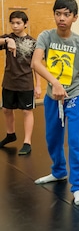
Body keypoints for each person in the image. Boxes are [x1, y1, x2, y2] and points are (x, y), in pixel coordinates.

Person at [31, 0, 79, 206]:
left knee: (74, 140)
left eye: (67, 14)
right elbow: (36, 63)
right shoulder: (46, 36)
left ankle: (78, 187)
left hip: (74, 96)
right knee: (53, 138)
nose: (61, 18)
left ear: (75, 17)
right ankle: (58, 171)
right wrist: (54, 83)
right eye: (58, 14)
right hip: (52, 97)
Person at [0, 11, 42, 155]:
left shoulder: (33, 42)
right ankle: (10, 134)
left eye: (18, 23)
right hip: (9, 82)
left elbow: (36, 65)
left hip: (25, 83)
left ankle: (27, 142)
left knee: (26, 111)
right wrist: (7, 41)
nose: (15, 26)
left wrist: (38, 85)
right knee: (6, 109)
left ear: (25, 24)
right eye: (12, 23)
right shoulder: (7, 38)